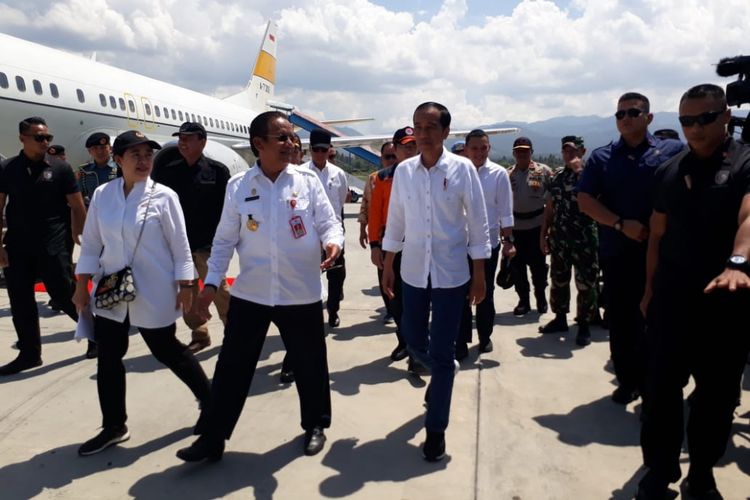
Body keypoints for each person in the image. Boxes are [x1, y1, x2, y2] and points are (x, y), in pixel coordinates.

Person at [176, 111, 343, 462]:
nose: (290, 144)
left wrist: (332, 243)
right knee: (232, 367)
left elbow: (329, 222)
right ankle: (213, 438)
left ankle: (315, 425)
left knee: (310, 363)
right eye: (281, 138)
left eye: (291, 138)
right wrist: (209, 288)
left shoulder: (307, 181)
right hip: (252, 293)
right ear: (259, 144)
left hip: (301, 293)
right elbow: (223, 242)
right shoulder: (239, 187)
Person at [635, 84, 750, 499]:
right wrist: (649, 291)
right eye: (686, 120)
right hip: (672, 301)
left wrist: (738, 261)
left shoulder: (744, 162)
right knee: (661, 392)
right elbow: (656, 236)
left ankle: (701, 471)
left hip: (726, 304)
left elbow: (749, 214)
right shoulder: (669, 171)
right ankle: (659, 471)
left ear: (725, 117)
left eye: (704, 118)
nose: (695, 128)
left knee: (716, 400)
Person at [72, 130, 211, 456]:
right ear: (118, 160)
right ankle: (114, 425)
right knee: (108, 358)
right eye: (135, 155)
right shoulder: (104, 195)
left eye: (148, 154)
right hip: (112, 291)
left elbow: (181, 248)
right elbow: (91, 244)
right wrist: (81, 287)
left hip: (154, 288)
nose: (144, 161)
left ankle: (210, 401)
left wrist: (187, 285)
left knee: (167, 350)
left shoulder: (164, 197)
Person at [382, 102, 490, 461]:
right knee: (412, 340)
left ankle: (436, 430)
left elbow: (477, 223)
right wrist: (388, 262)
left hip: (450, 275)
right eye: (417, 127)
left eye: (430, 127)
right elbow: (396, 219)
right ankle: (442, 371)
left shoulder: (462, 170)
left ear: (445, 132)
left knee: (442, 354)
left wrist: (479, 274)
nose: (422, 134)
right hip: (413, 271)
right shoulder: (404, 172)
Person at [577, 92, 683, 404]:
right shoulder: (602, 157)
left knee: (660, 321)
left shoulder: (673, 152)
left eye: (633, 113)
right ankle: (628, 380)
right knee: (622, 321)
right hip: (618, 252)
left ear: (649, 118)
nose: (625, 118)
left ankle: (656, 384)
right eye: (620, 114)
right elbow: (585, 201)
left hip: (665, 252)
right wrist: (621, 224)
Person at [0, 117, 90, 375]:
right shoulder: (7, 169)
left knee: (64, 295)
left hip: (52, 243)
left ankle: (96, 336)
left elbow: (76, 204)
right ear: (23, 139)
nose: (45, 142)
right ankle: (29, 354)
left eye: (47, 137)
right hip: (17, 245)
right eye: (39, 138)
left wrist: (79, 233)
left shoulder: (60, 169)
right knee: (20, 301)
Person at [151, 122, 231, 354]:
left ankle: (233, 330)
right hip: (179, 244)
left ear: (202, 142)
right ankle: (200, 333)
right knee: (185, 291)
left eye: (188, 138)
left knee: (219, 290)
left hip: (208, 244)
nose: (182, 142)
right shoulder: (169, 171)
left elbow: (227, 210)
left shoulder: (217, 171)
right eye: (180, 138)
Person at [457, 129, 515, 359]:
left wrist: (509, 241)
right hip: (460, 244)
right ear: (466, 149)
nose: (479, 152)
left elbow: (505, 211)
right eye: (474, 148)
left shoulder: (498, 174)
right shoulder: (457, 172)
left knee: (485, 293)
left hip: (489, 244)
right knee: (460, 293)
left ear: (489, 148)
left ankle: (484, 336)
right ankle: (460, 341)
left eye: (483, 148)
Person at [539, 136, 599, 346]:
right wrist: (544, 234)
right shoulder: (556, 177)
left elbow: (599, 201)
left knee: (585, 283)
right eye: (565, 151)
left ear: (583, 152)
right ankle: (560, 318)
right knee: (559, 281)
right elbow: (550, 207)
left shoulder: (591, 175)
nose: (568, 155)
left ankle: (584, 324)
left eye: (573, 151)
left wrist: (579, 170)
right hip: (560, 239)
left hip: (584, 239)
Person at [369, 127, 419, 363]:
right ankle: (404, 340)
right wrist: (375, 246)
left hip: (419, 244)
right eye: (405, 146)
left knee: (417, 298)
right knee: (394, 298)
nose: (410, 150)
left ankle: (418, 344)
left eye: (413, 145)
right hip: (391, 244)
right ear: (396, 149)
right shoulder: (383, 177)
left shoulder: (427, 174)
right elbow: (375, 213)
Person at [302, 129, 349, 327]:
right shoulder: (301, 173)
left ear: (329, 149)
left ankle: (333, 310)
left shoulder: (338, 174)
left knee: (336, 274)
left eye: (323, 150)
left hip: (333, 232)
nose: (320, 154)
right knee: (310, 275)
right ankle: (311, 313)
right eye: (316, 150)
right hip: (309, 234)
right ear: (310, 150)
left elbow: (341, 200)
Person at [508, 137, 553, 316]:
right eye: (518, 151)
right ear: (514, 153)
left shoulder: (543, 172)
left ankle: (541, 299)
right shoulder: (507, 174)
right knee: (518, 270)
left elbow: (552, 202)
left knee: (539, 269)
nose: (522, 154)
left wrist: (548, 230)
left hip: (537, 227)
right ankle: (523, 301)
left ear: (531, 152)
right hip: (516, 227)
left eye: (525, 150)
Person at [359, 141, 397, 324]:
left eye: (393, 156)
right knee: (383, 273)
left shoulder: (406, 176)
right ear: (381, 159)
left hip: (403, 236)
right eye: (387, 157)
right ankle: (390, 309)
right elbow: (366, 205)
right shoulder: (375, 179)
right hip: (381, 235)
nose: (391, 160)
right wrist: (363, 230)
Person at [78, 132, 118, 207]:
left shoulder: (120, 168)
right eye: (95, 148)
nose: (100, 152)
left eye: (103, 147)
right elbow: (79, 196)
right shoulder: (85, 172)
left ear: (110, 148)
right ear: (89, 151)